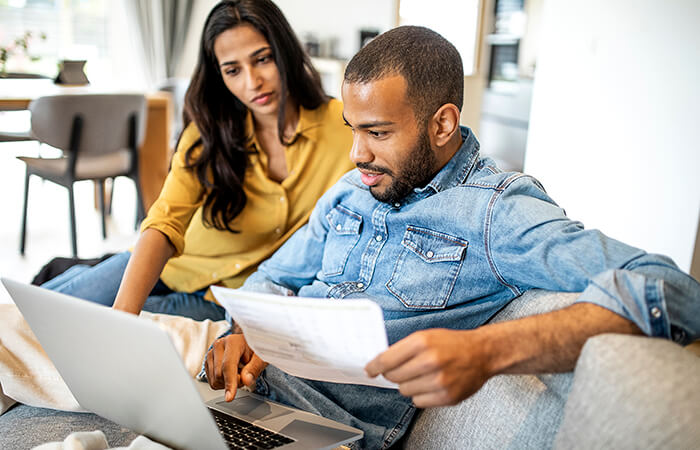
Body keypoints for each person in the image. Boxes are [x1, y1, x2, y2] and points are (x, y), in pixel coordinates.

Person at [202, 25, 700, 448]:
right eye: (352, 129)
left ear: (442, 123)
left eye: (377, 133)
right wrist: (241, 332)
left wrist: (486, 351)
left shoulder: (496, 211)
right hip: (245, 397)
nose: (356, 154)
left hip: (325, 430)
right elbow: (273, 276)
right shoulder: (355, 188)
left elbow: (671, 288)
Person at [41, 0, 354, 321]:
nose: (252, 82)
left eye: (263, 59)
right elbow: (164, 221)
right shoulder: (208, 132)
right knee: (40, 311)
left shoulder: (346, 129)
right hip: (170, 266)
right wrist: (123, 314)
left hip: (227, 297)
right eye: (232, 70)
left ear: (285, 52)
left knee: (82, 322)